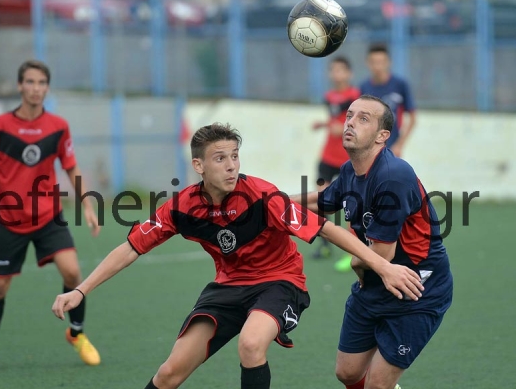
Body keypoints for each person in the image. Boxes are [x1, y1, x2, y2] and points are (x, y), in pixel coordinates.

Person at [51, 122, 424, 389]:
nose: (231, 165)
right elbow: (130, 248)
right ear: (198, 166)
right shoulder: (181, 208)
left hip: (280, 283)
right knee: (168, 374)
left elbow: (326, 228)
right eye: (219, 158)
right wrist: (81, 290)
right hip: (228, 288)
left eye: (234, 156)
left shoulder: (262, 196)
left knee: (250, 343)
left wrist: (381, 265)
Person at [297, 95, 453, 389]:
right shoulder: (349, 170)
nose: (351, 122)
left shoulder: (393, 176)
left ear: (383, 136)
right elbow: (324, 201)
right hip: (375, 282)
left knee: (378, 384)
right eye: (350, 116)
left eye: (363, 118)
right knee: (347, 372)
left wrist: (357, 265)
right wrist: (269, 202)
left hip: (416, 288)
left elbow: (378, 255)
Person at [0, 60, 102, 370]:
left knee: (72, 273)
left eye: (41, 83)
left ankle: (76, 334)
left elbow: (71, 166)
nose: (35, 88)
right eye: (29, 82)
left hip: (48, 216)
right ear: (19, 86)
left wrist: (88, 206)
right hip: (9, 219)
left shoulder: (58, 126)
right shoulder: (0, 126)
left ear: (47, 88)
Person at [311, 56, 360, 272]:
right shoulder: (328, 96)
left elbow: (355, 123)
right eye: (333, 70)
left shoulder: (356, 97)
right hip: (327, 158)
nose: (337, 74)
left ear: (349, 74)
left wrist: (343, 129)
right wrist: (324, 124)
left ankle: (355, 252)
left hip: (347, 159)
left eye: (341, 70)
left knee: (352, 203)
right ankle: (324, 244)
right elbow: (334, 119)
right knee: (321, 199)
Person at [360, 44, 416, 158]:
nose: (377, 66)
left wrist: (399, 145)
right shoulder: (363, 88)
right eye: (373, 62)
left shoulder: (400, 85)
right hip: (369, 152)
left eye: (381, 62)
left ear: (388, 62)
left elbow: (412, 118)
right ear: (368, 63)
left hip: (392, 150)